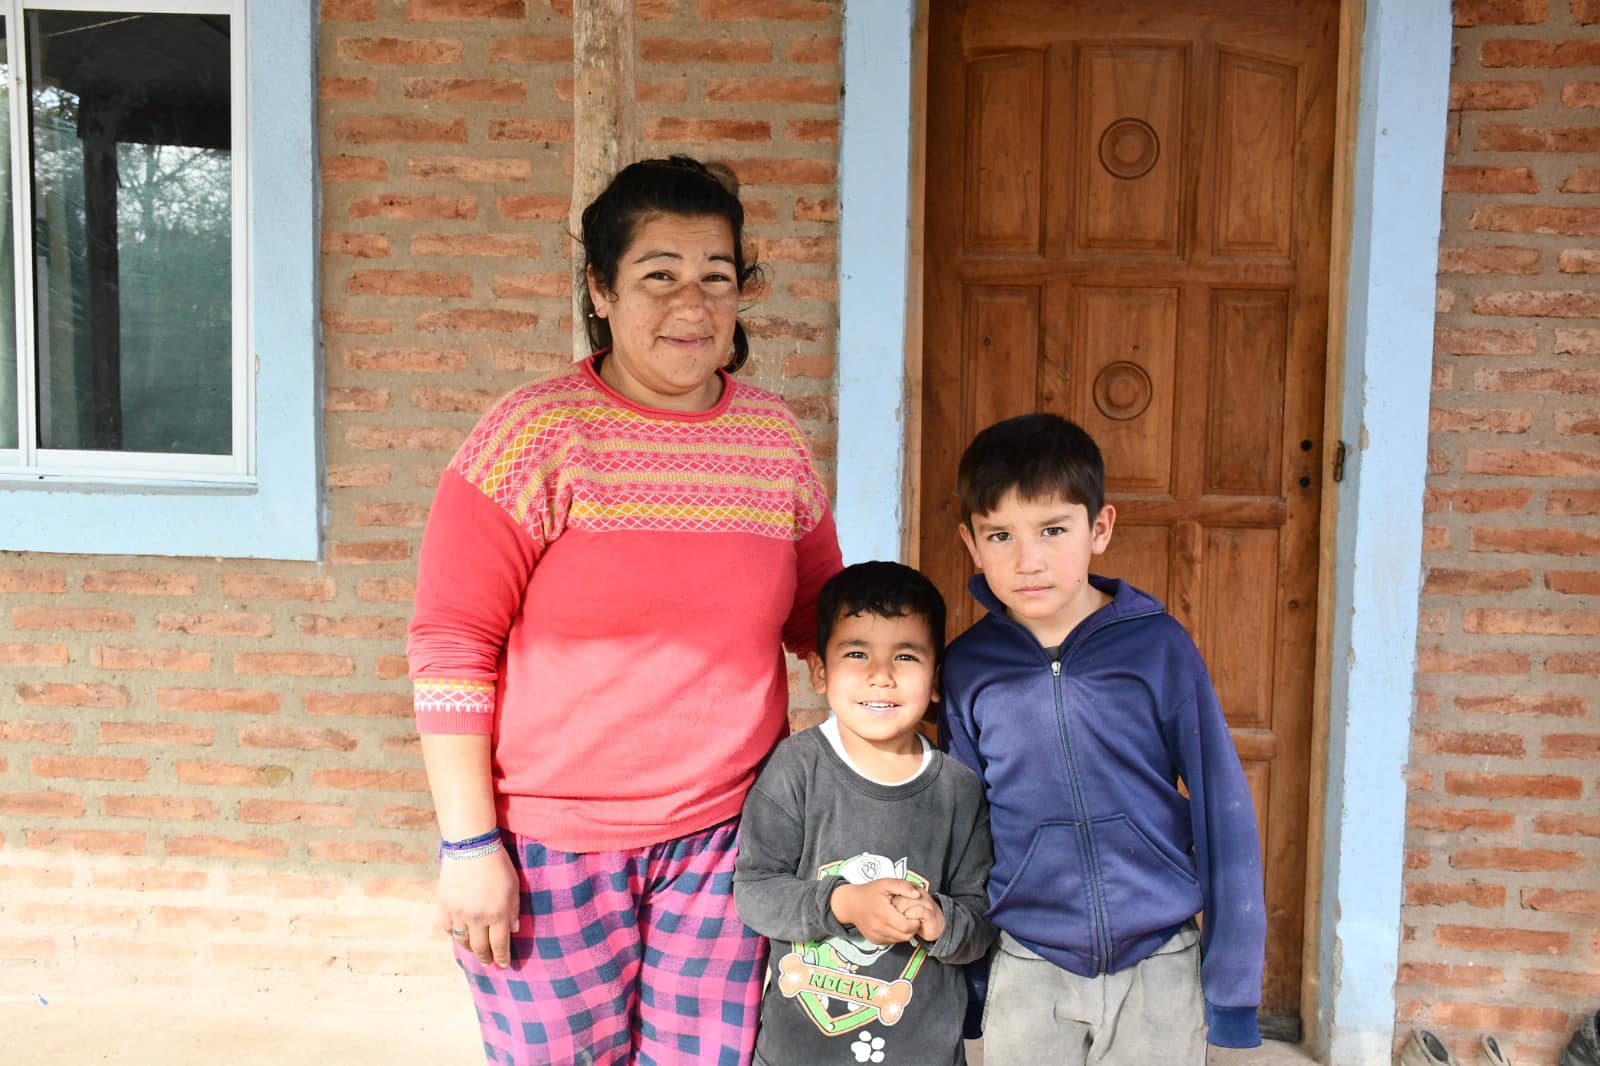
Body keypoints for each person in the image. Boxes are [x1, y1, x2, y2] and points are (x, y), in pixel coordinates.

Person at [406, 155, 843, 1066]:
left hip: (728, 844)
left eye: (716, 277)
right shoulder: (532, 437)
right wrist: (469, 844)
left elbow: (823, 625)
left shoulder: (771, 440)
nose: (692, 304)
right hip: (548, 852)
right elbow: (453, 646)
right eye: (658, 275)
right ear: (600, 290)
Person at [937, 413, 1266, 1064]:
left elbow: (1223, 808)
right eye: (1000, 535)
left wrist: (1232, 989)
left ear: (1100, 528)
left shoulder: (1157, 648)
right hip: (1027, 958)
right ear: (971, 543)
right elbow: (961, 831)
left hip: (1159, 956)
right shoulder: (970, 668)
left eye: (1053, 530)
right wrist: (969, 983)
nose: (1028, 560)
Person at [733, 561, 995, 1066]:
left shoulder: (959, 791)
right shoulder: (795, 769)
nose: (881, 675)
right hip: (799, 1055)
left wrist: (941, 921)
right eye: (857, 653)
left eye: (905, 656)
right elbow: (754, 893)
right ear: (820, 672)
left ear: (936, 679)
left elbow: (981, 921)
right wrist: (844, 904)